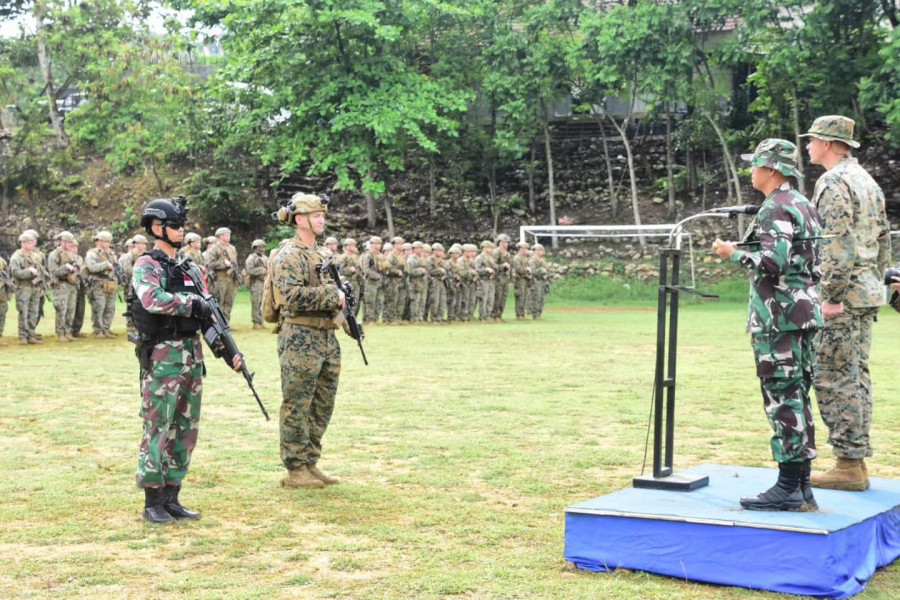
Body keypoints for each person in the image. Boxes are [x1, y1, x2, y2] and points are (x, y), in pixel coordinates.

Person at [713, 138, 822, 511]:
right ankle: (802, 485)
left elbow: (773, 263)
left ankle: (789, 486)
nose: (751, 170)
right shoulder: (803, 204)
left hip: (779, 318)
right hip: (802, 313)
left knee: (782, 398)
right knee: (797, 394)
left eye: (755, 164)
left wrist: (733, 253)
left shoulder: (774, 207)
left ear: (772, 169)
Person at [131, 197, 243, 523]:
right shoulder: (146, 265)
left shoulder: (192, 267)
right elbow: (152, 299)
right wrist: (191, 303)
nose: (181, 231)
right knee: (158, 427)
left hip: (192, 356)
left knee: (185, 429)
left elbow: (208, 316)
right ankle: (152, 501)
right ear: (156, 228)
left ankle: (172, 495)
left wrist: (228, 352)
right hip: (163, 357)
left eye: (183, 226)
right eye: (175, 226)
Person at [800, 115, 891, 491]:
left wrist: (830, 296)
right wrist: (880, 280)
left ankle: (848, 465)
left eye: (812, 140)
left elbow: (835, 243)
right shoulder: (866, 180)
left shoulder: (834, 181)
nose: (808, 146)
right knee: (856, 376)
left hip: (846, 295)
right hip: (866, 291)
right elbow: (883, 240)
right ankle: (855, 460)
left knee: (834, 378)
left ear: (828, 144)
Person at [270, 193, 345, 489]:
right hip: (300, 336)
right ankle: (295, 467)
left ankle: (311, 460)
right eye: (315, 215)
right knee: (297, 402)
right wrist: (331, 295)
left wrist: (343, 305)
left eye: (322, 215)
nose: (321, 220)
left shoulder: (322, 254)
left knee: (322, 403)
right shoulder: (289, 255)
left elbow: (335, 293)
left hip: (326, 336)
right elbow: (291, 295)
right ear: (300, 220)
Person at [9, 231, 45, 344]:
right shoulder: (16, 258)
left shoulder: (36, 256)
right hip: (23, 288)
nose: (31, 244)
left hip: (35, 287)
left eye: (32, 242)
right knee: (23, 312)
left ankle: (31, 334)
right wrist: (29, 272)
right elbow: (16, 274)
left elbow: (41, 271)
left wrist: (41, 285)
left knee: (33, 312)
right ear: (22, 244)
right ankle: (23, 336)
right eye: (28, 242)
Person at [47, 231, 82, 342]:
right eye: (66, 242)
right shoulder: (55, 254)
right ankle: (60, 333)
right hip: (61, 284)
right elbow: (53, 271)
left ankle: (68, 332)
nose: (68, 244)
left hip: (72, 284)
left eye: (70, 242)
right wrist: (66, 268)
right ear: (61, 241)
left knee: (71, 310)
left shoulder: (71, 254)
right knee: (61, 309)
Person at [84, 231, 119, 338]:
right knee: (99, 307)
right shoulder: (92, 253)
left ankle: (106, 329)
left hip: (110, 283)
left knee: (110, 307)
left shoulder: (111, 253)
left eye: (108, 242)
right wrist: (105, 265)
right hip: (98, 283)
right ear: (98, 242)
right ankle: (98, 330)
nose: (106, 244)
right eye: (104, 241)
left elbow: (116, 267)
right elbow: (91, 267)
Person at [206, 227, 240, 322]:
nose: (228, 236)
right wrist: (223, 263)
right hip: (220, 280)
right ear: (220, 236)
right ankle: (218, 324)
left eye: (229, 234)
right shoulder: (214, 249)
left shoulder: (232, 248)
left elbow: (235, 262)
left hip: (231, 279)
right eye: (226, 234)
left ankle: (226, 323)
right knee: (218, 302)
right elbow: (210, 264)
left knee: (229, 302)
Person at [119, 234, 148, 334]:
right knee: (131, 305)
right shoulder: (130, 255)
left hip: (144, 284)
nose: (143, 246)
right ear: (135, 244)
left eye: (144, 244)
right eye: (141, 244)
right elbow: (127, 269)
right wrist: (140, 273)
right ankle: (130, 325)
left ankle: (140, 325)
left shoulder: (146, 255)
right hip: (132, 284)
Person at [360, 236, 386, 324]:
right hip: (371, 282)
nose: (378, 246)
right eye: (376, 244)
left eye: (379, 244)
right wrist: (376, 275)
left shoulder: (381, 255)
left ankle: (375, 319)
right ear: (371, 244)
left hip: (380, 282)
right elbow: (366, 269)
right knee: (370, 301)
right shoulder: (368, 255)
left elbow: (384, 268)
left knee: (379, 301)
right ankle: (369, 319)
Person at [338, 238, 365, 319]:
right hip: (347, 283)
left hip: (357, 283)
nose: (354, 247)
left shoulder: (356, 258)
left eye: (354, 245)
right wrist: (349, 270)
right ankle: (346, 321)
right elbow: (340, 270)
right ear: (347, 247)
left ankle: (353, 320)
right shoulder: (342, 258)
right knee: (347, 303)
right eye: (352, 245)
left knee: (356, 303)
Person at [245, 239, 269, 329]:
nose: (263, 249)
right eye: (261, 247)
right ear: (255, 248)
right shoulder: (251, 258)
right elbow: (249, 270)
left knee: (263, 303)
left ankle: (261, 321)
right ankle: (256, 322)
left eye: (263, 247)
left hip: (264, 282)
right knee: (256, 302)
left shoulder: (265, 258)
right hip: (256, 283)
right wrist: (261, 270)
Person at [474, 240, 497, 321]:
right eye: (490, 248)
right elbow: (477, 270)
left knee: (490, 299)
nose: (491, 249)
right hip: (483, 281)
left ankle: (488, 315)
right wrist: (485, 269)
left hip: (491, 280)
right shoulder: (479, 258)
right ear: (485, 248)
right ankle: (482, 316)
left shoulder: (491, 258)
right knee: (483, 299)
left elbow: (495, 267)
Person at [492, 234, 512, 321]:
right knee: (498, 297)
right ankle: (494, 315)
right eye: (504, 242)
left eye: (507, 242)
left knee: (504, 297)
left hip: (505, 278)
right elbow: (493, 265)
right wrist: (502, 266)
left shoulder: (507, 253)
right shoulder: (496, 252)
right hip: (498, 277)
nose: (505, 244)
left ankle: (500, 315)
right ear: (499, 242)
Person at [511, 241, 532, 320]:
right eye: (523, 248)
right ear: (519, 249)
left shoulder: (525, 257)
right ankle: (519, 314)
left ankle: (522, 314)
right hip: (519, 280)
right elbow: (518, 269)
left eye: (526, 249)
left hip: (525, 279)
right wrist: (526, 270)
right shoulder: (517, 258)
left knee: (524, 297)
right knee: (520, 297)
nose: (525, 250)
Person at [528, 244, 550, 319]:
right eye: (540, 250)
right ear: (535, 251)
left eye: (542, 250)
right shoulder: (532, 260)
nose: (542, 252)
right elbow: (532, 271)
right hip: (536, 281)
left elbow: (547, 270)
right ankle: (535, 313)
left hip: (543, 281)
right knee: (536, 297)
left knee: (542, 298)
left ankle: (539, 313)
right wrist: (541, 271)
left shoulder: (543, 260)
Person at [0, 254, 13, 346]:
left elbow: (6, 278)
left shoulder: (2, 261)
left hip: (2, 295)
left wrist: (9, 292)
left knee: (1, 315)